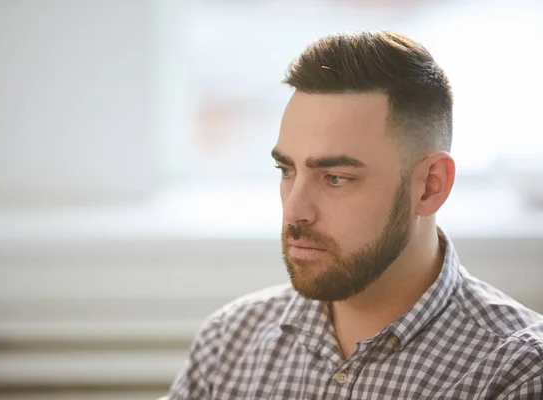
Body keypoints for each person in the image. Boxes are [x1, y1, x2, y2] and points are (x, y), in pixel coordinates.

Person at [165, 30, 543, 399]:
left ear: (430, 186)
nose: (294, 211)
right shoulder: (228, 343)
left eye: (335, 178)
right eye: (286, 170)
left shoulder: (517, 370)